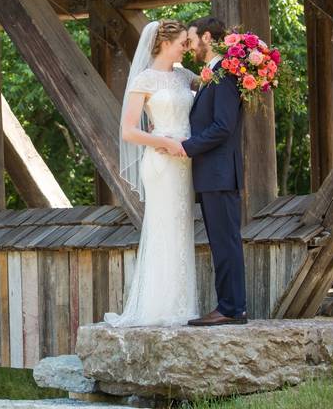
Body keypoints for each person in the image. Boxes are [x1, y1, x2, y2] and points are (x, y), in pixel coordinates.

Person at [103, 19, 201, 327]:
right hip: (161, 160)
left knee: (182, 228)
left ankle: (181, 304)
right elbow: (129, 131)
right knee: (163, 228)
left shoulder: (186, 76)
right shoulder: (145, 79)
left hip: (185, 160)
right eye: (183, 42)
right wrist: (163, 142)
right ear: (164, 44)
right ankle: (158, 307)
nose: (187, 47)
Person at [165, 16, 247, 326]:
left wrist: (187, 146)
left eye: (192, 38)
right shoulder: (213, 74)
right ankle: (231, 306)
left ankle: (231, 308)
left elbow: (223, 127)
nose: (190, 45)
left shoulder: (224, 74)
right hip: (213, 173)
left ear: (208, 37)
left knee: (225, 242)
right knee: (222, 242)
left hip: (220, 172)